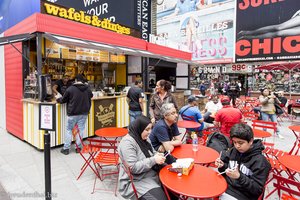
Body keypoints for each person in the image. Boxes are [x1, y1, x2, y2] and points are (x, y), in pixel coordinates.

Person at [215, 123, 271, 200]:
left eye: (241, 143)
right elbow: (227, 170)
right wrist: (222, 166)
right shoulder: (233, 151)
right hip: (225, 186)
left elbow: (257, 190)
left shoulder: (261, 162)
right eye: (234, 142)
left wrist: (239, 177)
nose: (237, 146)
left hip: (243, 195)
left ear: (251, 141)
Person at [118, 116, 168, 200]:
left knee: (172, 190)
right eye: (147, 129)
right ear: (139, 128)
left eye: (151, 129)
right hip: (136, 181)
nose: (150, 132)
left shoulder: (144, 138)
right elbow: (133, 168)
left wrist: (158, 155)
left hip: (150, 174)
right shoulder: (127, 143)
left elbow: (152, 152)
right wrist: (154, 160)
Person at [57, 74, 93, 155]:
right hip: (84, 113)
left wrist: (58, 99)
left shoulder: (70, 89)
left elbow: (63, 100)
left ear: (76, 80)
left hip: (72, 113)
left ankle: (66, 149)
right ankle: (78, 148)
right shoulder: (87, 89)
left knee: (69, 130)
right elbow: (91, 95)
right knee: (80, 130)